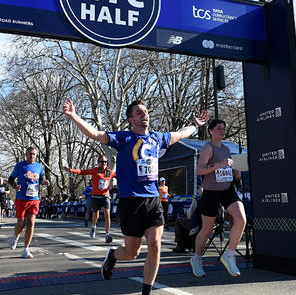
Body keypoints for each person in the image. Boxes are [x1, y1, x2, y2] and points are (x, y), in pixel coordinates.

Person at [63, 99, 207, 295]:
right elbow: (95, 134)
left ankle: (146, 291)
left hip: (153, 200)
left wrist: (195, 125)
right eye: (139, 112)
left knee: (155, 245)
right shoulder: (123, 139)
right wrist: (73, 116)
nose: (144, 114)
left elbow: (180, 134)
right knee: (132, 253)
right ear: (131, 120)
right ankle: (113, 256)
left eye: (145, 111)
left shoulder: (157, 138)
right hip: (131, 201)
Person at [190, 119, 246, 278]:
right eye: (218, 129)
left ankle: (229, 255)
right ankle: (196, 259)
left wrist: (234, 171)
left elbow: (225, 167)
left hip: (227, 189)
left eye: (223, 128)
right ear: (211, 131)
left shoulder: (227, 149)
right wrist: (219, 165)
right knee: (207, 230)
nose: (222, 131)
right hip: (211, 192)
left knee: (241, 218)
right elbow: (200, 170)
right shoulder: (208, 147)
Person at [8, 146, 50, 259]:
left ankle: (26, 249)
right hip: (21, 199)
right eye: (30, 154)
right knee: (21, 224)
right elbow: (10, 179)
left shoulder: (39, 166)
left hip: (34, 199)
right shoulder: (20, 166)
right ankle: (15, 236)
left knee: (31, 223)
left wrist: (44, 182)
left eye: (34, 154)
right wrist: (14, 186)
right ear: (26, 154)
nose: (32, 156)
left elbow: (40, 179)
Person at [64, 155, 117, 243]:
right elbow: (82, 172)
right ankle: (93, 226)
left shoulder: (109, 172)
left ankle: (107, 234)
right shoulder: (94, 170)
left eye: (105, 162)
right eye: (101, 161)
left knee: (107, 214)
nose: (103, 163)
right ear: (98, 163)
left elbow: (119, 175)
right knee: (95, 214)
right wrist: (71, 170)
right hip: (95, 196)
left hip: (105, 196)